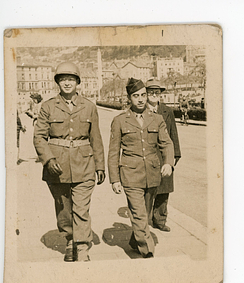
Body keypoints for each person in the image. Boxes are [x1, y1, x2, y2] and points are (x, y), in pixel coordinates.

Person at [33, 61, 105, 262]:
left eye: (70, 79)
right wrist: (48, 159)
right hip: (57, 166)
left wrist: (100, 165)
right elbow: (39, 136)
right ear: (57, 82)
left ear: (77, 82)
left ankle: (82, 248)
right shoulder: (48, 106)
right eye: (63, 79)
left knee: (81, 208)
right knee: (64, 209)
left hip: (84, 164)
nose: (67, 83)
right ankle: (69, 241)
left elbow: (96, 138)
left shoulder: (89, 107)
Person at [108, 78, 174, 258]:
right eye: (136, 96)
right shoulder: (120, 120)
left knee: (144, 212)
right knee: (138, 213)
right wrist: (114, 179)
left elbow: (166, 143)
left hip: (152, 174)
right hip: (130, 174)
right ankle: (147, 249)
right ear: (129, 98)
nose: (140, 99)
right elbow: (113, 152)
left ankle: (134, 241)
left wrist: (168, 162)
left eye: (143, 95)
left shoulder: (157, 118)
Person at [146, 78, 181, 232]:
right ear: (146, 93)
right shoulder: (140, 110)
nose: (154, 94)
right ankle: (145, 221)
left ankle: (160, 220)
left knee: (164, 190)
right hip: (147, 157)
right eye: (150, 91)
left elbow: (174, 134)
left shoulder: (168, 111)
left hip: (164, 156)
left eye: (157, 91)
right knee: (148, 190)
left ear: (160, 93)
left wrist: (174, 157)